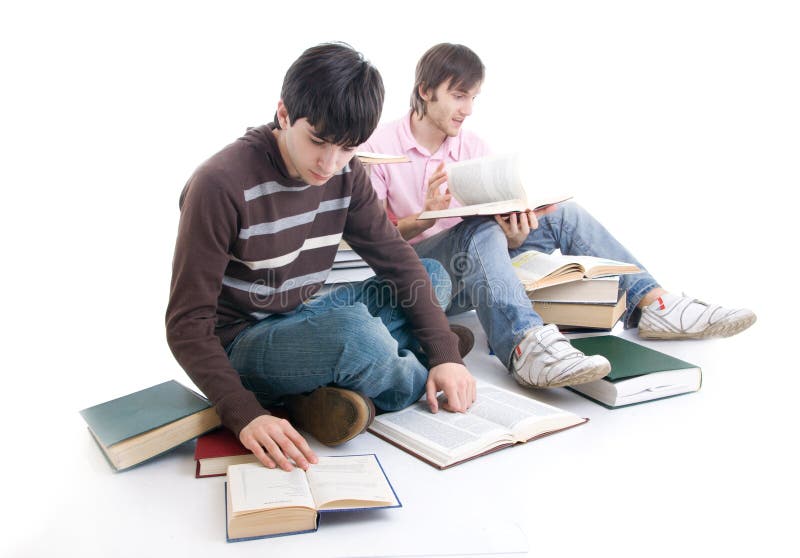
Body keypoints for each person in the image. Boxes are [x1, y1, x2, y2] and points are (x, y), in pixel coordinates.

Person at [361, 43, 756, 390]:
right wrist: (426, 216)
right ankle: (524, 342)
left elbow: (491, 225)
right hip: (423, 278)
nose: (468, 110)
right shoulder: (380, 144)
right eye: (459, 96)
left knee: (562, 214)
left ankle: (656, 305)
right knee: (476, 230)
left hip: (478, 265)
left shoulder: (473, 144)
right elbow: (375, 239)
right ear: (425, 91)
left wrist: (513, 236)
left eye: (474, 98)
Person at [166, 43, 477, 473]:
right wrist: (245, 414)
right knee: (356, 335)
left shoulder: (346, 174)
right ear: (283, 114)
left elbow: (397, 262)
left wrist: (448, 355)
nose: (330, 163)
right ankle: (411, 369)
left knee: (432, 275)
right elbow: (186, 326)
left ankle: (330, 388)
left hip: (302, 315)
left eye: (347, 148)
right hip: (242, 343)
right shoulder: (218, 185)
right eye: (318, 141)